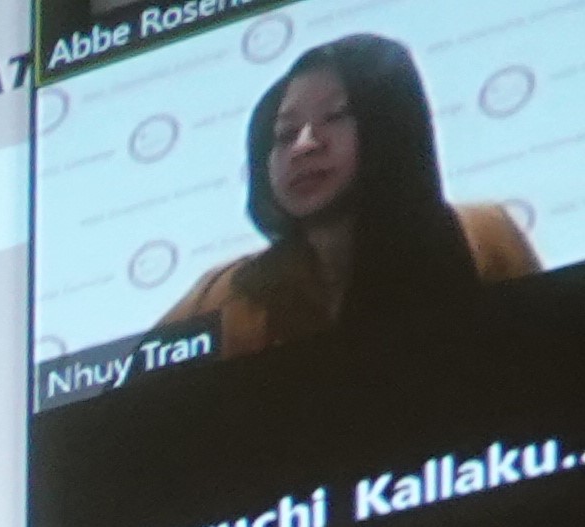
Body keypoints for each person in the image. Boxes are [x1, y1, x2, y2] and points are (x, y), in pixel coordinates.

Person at [151, 38, 538, 358]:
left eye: (335, 116)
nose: (304, 146)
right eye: (285, 134)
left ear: (388, 124)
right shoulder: (222, 294)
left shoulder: (484, 237)